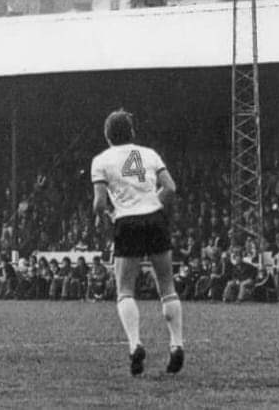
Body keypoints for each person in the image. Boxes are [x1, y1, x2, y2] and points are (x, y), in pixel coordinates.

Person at [91, 109, 183, 376]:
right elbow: (171, 188)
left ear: (107, 136)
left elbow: (99, 203)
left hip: (127, 222)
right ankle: (177, 344)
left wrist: (108, 216)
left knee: (125, 290)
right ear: (132, 132)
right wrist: (154, 203)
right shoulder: (149, 154)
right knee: (167, 286)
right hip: (154, 219)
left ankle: (135, 345)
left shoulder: (101, 160)